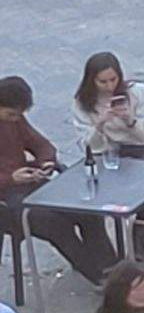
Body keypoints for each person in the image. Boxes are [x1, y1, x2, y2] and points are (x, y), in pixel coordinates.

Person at [0, 77, 116, 280]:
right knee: (55, 224)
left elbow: (42, 145)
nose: (15, 119)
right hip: (5, 200)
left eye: (19, 115)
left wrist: (45, 162)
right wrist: (11, 178)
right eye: (10, 115)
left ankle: (112, 267)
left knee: (86, 210)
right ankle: (95, 274)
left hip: (29, 183)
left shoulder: (16, 121)